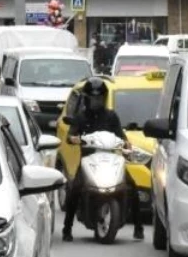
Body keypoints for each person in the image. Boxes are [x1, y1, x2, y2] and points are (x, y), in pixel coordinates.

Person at [61, 76, 143, 243]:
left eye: (99, 98)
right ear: (87, 99)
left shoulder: (112, 117)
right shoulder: (81, 117)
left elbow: (121, 135)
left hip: (111, 159)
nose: (96, 102)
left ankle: (138, 227)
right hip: (89, 161)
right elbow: (71, 135)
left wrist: (126, 143)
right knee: (75, 188)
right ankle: (67, 228)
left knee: (132, 186)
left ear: (104, 99)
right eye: (93, 98)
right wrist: (75, 139)